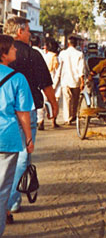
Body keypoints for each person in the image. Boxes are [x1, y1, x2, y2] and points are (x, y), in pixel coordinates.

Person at [3, 16, 58, 215]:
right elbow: (45, 83)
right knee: (22, 157)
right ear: (19, 32)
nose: (29, 35)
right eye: (27, 31)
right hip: (27, 111)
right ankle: (10, 203)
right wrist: (54, 103)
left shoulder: (5, 55)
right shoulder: (32, 55)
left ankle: (7, 202)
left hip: (4, 113)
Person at [0, 35, 34, 231]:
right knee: (2, 190)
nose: (16, 50)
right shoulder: (17, 78)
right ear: (3, 53)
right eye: (13, 48)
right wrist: (28, 139)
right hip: (6, 138)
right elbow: (23, 114)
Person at [58, 36, 84, 125]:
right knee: (75, 99)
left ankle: (67, 118)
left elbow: (59, 68)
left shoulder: (62, 53)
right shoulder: (79, 54)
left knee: (67, 99)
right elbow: (81, 69)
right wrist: (82, 81)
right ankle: (73, 115)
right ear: (76, 44)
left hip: (65, 80)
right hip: (76, 80)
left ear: (68, 44)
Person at [30, 36, 47, 131]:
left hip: (30, 81)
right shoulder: (42, 53)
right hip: (40, 80)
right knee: (41, 101)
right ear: (39, 43)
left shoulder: (28, 52)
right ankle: (40, 120)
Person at [44, 37, 61, 128]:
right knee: (55, 102)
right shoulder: (58, 59)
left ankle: (41, 121)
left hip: (44, 84)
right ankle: (53, 121)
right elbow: (58, 74)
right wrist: (54, 85)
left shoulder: (44, 57)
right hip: (55, 84)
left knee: (44, 103)